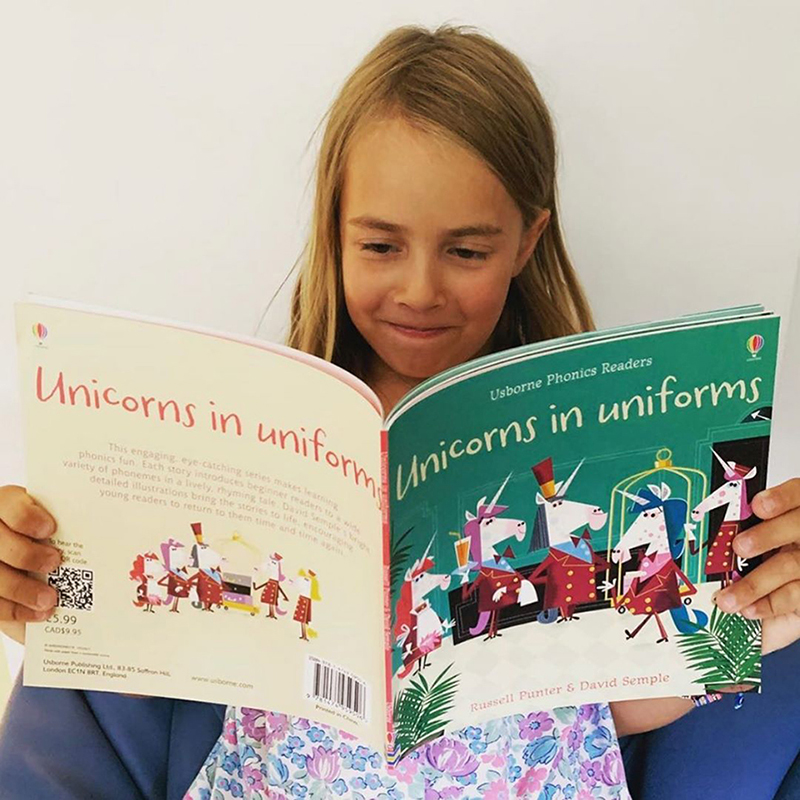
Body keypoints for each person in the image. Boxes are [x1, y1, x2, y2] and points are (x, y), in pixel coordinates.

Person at [2, 22, 800, 800]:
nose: (420, 290)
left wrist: (758, 620)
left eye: (467, 251)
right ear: (334, 230)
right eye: (381, 246)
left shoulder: (585, 442)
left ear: (526, 242)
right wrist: (39, 594)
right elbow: (152, 644)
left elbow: (621, 701)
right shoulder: (257, 431)